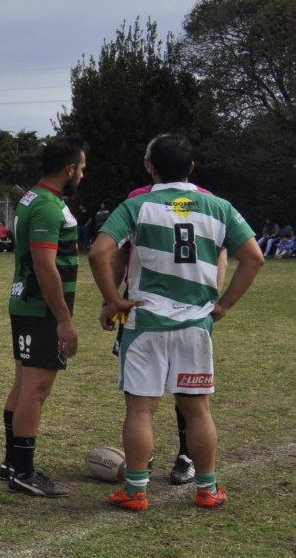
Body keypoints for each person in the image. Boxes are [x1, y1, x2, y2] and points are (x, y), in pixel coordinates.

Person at [90, 133, 264, 511]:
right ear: (192, 168)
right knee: (198, 410)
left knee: (140, 410)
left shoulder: (136, 205)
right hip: (195, 324)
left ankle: (135, 492)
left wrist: (114, 300)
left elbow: (99, 253)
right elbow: (254, 257)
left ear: (149, 166)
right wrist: (225, 305)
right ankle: (207, 489)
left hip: (145, 323)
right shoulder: (219, 207)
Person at [0, 135, 87, 497]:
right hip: (40, 309)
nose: (83, 174)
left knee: (24, 385)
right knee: (36, 389)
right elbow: (45, 266)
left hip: (27, 303)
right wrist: (64, 319)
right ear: (69, 169)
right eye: (82, 168)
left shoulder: (33, 197)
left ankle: (12, 462)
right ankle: (23, 472)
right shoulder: (47, 206)